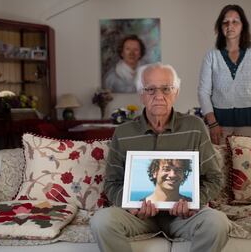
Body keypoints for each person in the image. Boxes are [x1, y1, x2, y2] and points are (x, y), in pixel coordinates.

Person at [90, 63, 230, 252]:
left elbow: (214, 178)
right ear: (141, 94)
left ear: (176, 92)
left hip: (184, 217)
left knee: (218, 222)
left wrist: (193, 202)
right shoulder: (123, 132)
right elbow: (112, 182)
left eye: (166, 89)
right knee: (101, 221)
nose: (158, 96)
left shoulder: (195, 127)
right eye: (150, 89)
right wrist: (131, 205)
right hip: (139, 218)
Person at [198, 4, 251, 145]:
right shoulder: (211, 56)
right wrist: (212, 124)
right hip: (220, 125)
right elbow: (203, 92)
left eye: (235, 21)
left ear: (243, 25)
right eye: (225, 22)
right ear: (220, 26)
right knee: (221, 166)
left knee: (249, 166)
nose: (230, 25)